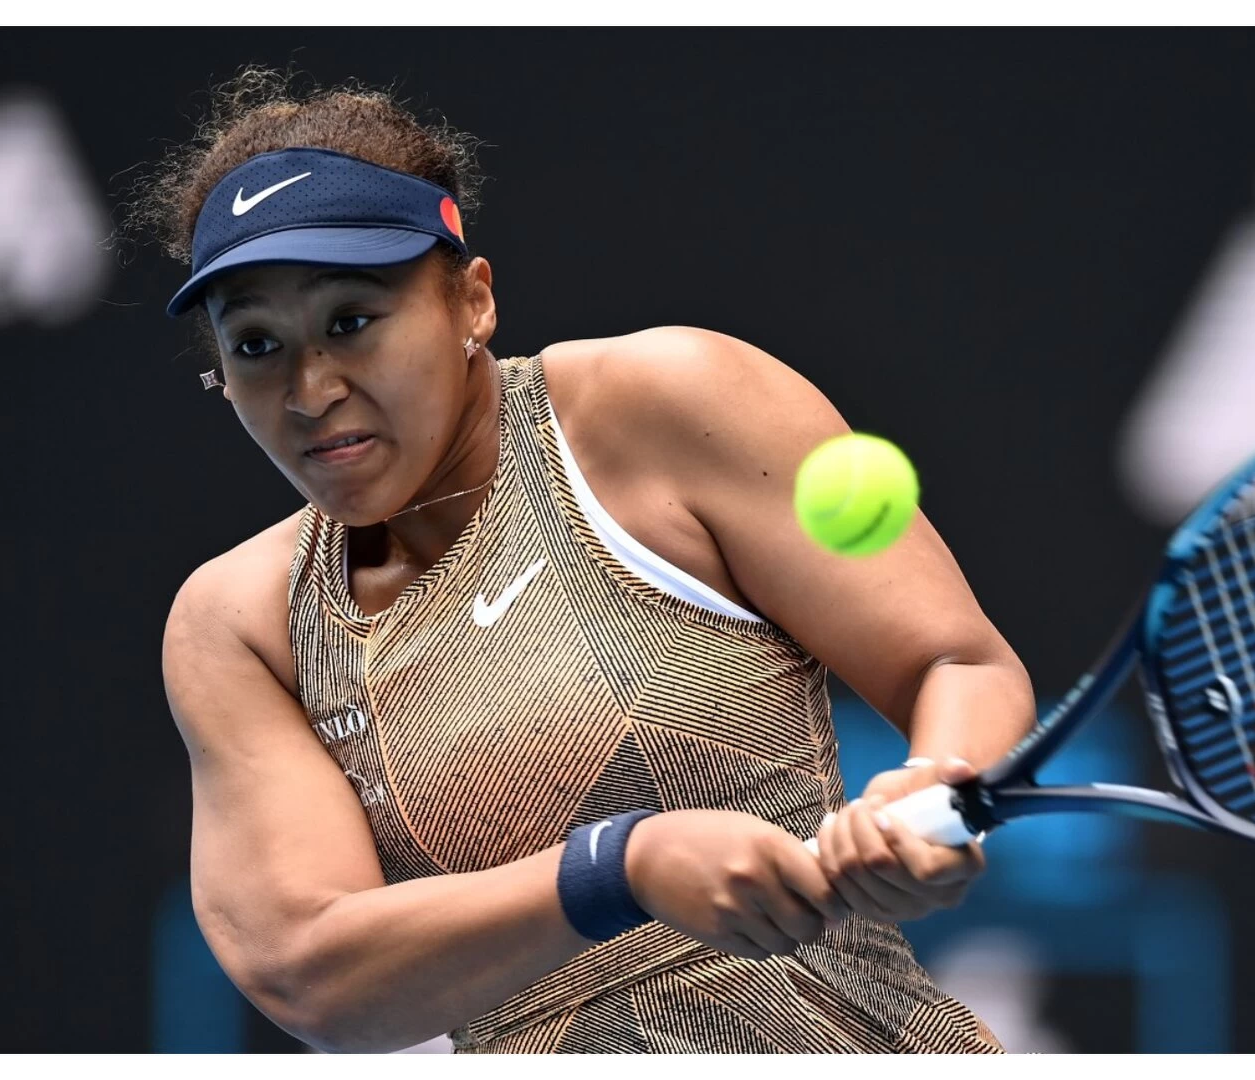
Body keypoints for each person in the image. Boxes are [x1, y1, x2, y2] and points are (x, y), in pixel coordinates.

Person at [142, 69, 1036, 1054]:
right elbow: (313, 975)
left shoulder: (665, 403)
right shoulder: (241, 623)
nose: (311, 390)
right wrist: (618, 868)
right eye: (257, 345)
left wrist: (936, 789)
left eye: (351, 321)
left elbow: (959, 663)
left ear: (471, 302)